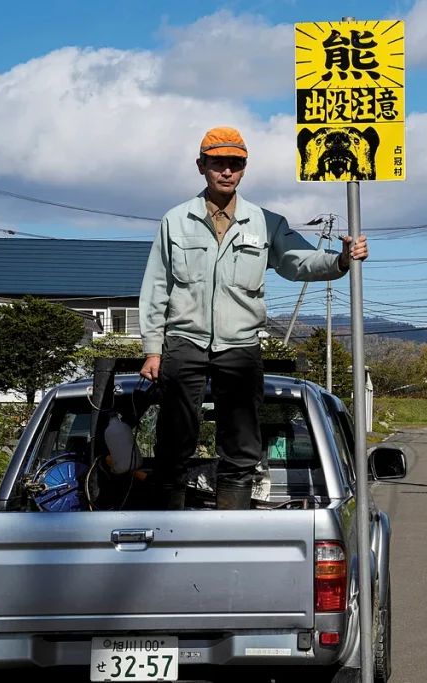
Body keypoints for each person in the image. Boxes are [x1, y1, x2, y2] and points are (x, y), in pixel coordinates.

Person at [138, 126, 368, 511]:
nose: (226, 171)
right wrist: (152, 350)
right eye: (218, 164)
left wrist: (341, 260)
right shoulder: (175, 220)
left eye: (235, 164)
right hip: (185, 341)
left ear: (244, 169)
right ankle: (168, 530)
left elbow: (298, 261)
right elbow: (156, 286)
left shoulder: (265, 222)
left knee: (242, 446)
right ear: (201, 166)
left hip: (240, 344)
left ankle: (232, 529)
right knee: (173, 441)